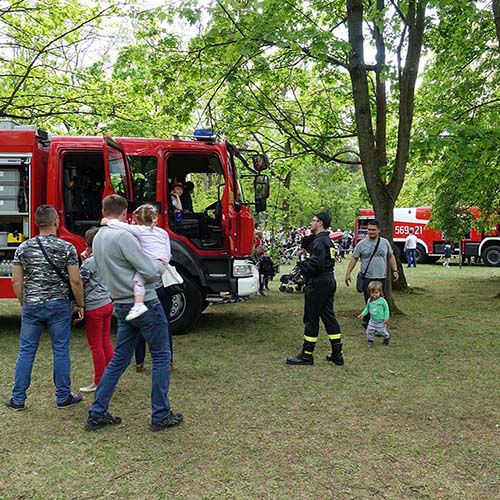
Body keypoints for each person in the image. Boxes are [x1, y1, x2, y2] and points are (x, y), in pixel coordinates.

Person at [85, 194, 182, 432]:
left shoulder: (97, 238)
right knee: (160, 356)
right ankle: (160, 414)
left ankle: (97, 412)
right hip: (145, 302)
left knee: (120, 359)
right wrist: (160, 263)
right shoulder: (123, 237)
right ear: (124, 212)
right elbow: (149, 270)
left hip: (120, 303)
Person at [6, 204, 84, 410]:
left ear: (36, 223)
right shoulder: (66, 248)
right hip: (58, 305)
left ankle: (18, 399)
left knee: (26, 351)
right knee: (60, 350)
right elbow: (75, 281)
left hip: (32, 304)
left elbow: (16, 281)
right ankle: (63, 396)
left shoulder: (23, 248)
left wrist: (24, 302)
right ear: (56, 221)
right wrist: (80, 303)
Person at [104, 204, 174, 369]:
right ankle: (168, 359)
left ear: (136, 219)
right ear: (155, 218)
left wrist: (106, 220)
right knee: (163, 323)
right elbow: (168, 253)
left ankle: (139, 361)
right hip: (160, 281)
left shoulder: (136, 233)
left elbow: (118, 225)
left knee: (139, 324)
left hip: (146, 285)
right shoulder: (163, 233)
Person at [286, 212, 344, 366]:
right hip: (328, 281)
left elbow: (315, 265)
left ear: (320, 223)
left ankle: (306, 355)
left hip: (318, 284)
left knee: (311, 318)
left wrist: (302, 262)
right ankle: (337, 354)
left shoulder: (319, 243)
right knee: (329, 317)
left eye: (313, 221)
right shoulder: (327, 241)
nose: (310, 223)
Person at [79, 227, 114, 393]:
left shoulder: (89, 262)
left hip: (94, 306)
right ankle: (111, 376)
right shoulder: (107, 258)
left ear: (88, 243)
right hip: (107, 303)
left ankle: (99, 381)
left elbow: (80, 281)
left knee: (95, 345)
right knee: (105, 340)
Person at [345, 219, 399, 328]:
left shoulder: (385, 242)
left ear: (379, 230)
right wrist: (348, 273)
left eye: (373, 230)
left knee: (380, 301)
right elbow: (354, 259)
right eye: (369, 230)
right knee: (369, 301)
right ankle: (368, 321)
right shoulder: (361, 244)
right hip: (367, 278)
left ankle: (378, 322)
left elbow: (390, 256)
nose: (371, 232)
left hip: (382, 277)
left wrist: (395, 270)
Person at [357, 280, 391, 348]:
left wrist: (386, 318)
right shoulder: (369, 300)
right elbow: (367, 309)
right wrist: (362, 314)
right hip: (372, 321)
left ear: (380, 292)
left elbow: (386, 310)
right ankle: (370, 340)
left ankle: (387, 336)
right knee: (369, 331)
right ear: (369, 293)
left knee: (381, 332)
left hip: (381, 321)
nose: (374, 295)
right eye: (372, 293)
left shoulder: (382, 301)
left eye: (376, 293)